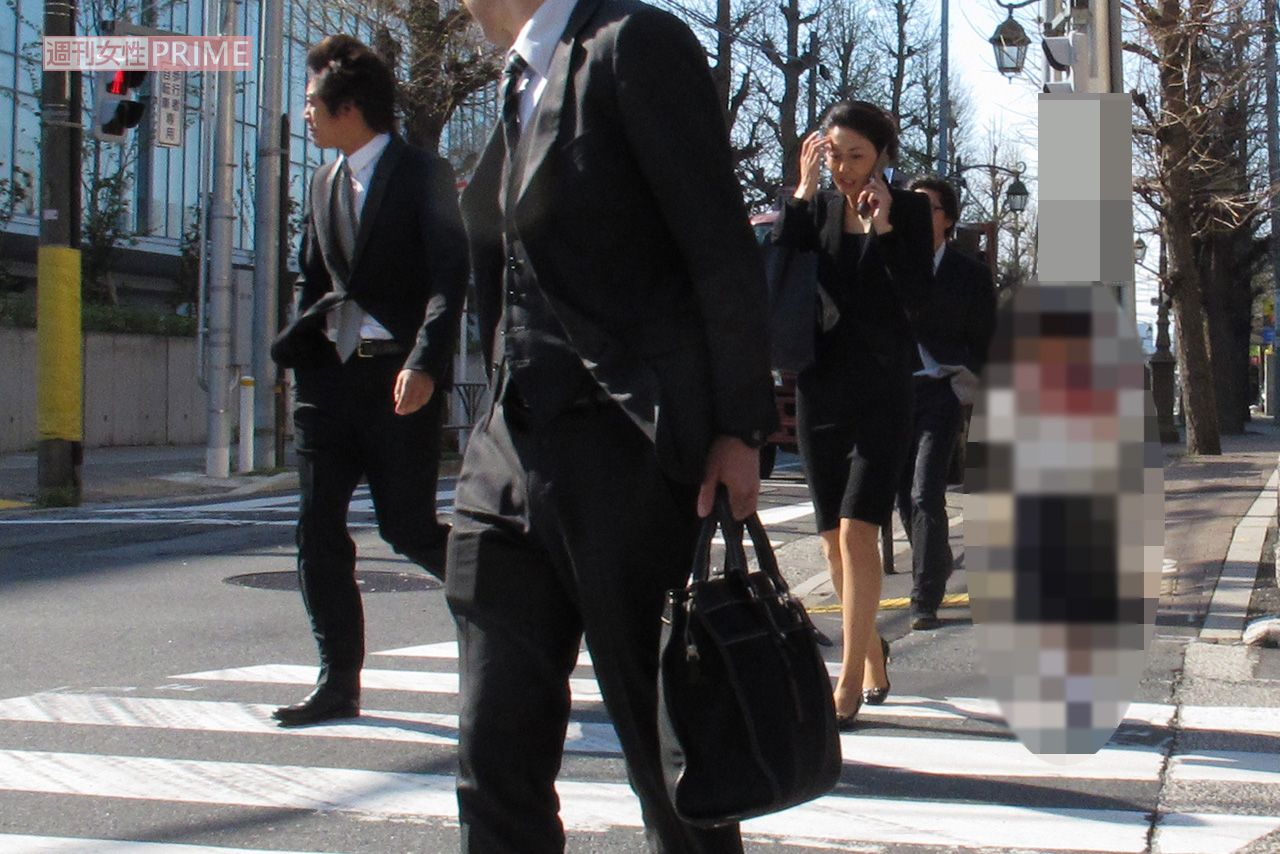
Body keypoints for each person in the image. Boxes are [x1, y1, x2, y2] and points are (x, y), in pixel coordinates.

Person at [449, 0, 778, 849]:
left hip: (624, 452)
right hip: (506, 454)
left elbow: (719, 243)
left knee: (668, 767)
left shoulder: (636, 43)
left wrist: (742, 426)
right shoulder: (517, 77)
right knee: (493, 758)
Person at [268, 34, 468, 727]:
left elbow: (450, 278)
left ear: (348, 108)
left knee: (409, 528)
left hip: (397, 381)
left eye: (312, 106)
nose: (306, 118)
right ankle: (338, 681)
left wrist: (425, 362)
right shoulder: (323, 183)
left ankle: (507, 609)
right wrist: (298, 354)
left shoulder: (422, 174)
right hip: (329, 384)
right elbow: (312, 278)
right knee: (316, 531)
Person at [772, 101, 933, 728]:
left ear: (884, 154)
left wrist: (887, 227)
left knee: (860, 529)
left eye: (856, 156)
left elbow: (917, 301)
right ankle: (873, 648)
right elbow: (779, 274)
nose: (843, 168)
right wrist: (803, 191)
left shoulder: (912, 210)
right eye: (833, 154)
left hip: (883, 390)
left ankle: (847, 683)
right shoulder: (813, 208)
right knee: (832, 544)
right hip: (821, 389)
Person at [895, 177, 997, 633]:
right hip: (893, 392)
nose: (915, 215)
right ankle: (936, 561)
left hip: (940, 390)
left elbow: (988, 340)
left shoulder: (968, 274)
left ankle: (925, 597)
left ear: (948, 219)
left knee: (924, 490)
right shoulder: (886, 262)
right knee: (901, 495)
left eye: (927, 208)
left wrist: (966, 373)